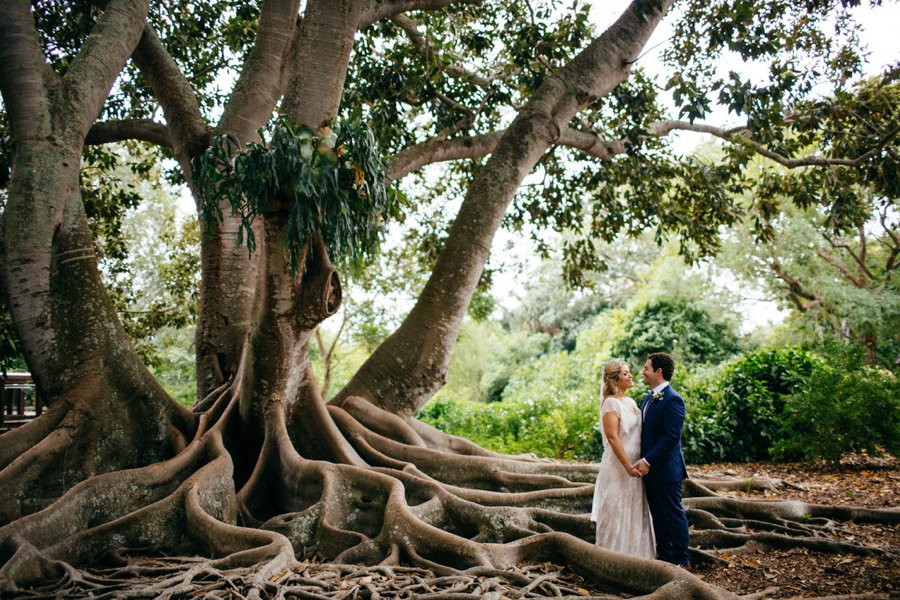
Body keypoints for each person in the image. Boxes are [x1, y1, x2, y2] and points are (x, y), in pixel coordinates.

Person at [590, 360, 655, 558]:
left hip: (637, 466)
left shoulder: (631, 402)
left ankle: (637, 557)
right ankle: (611, 559)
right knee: (616, 510)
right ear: (615, 378)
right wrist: (626, 464)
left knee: (634, 511)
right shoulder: (610, 403)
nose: (631, 375)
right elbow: (612, 437)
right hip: (619, 466)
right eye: (626, 373)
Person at [632, 352, 691, 569]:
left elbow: (671, 437)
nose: (643, 372)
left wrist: (647, 461)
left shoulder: (673, 399)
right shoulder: (648, 398)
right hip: (650, 471)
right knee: (657, 514)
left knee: (673, 513)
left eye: (646, 368)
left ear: (658, 371)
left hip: (667, 469)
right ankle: (665, 556)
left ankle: (682, 559)